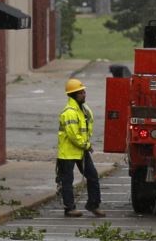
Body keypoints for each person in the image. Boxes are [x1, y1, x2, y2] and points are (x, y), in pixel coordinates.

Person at [57, 78, 105, 217]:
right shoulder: (69, 112)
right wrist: (86, 145)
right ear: (74, 95)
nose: (84, 94)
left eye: (84, 91)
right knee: (67, 181)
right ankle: (69, 208)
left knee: (93, 177)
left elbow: (87, 127)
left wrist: (85, 145)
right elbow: (73, 135)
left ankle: (93, 205)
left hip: (81, 151)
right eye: (81, 92)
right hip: (68, 153)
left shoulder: (84, 110)